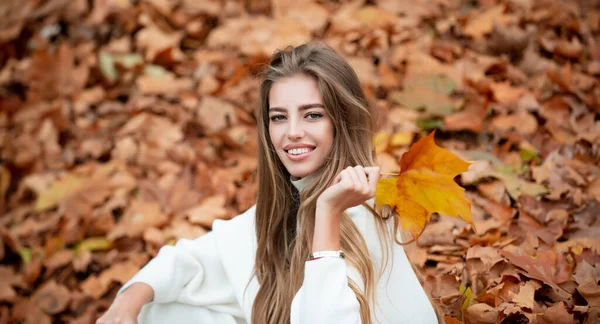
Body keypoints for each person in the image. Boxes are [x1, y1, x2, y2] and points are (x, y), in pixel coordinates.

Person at [96, 42, 440, 324]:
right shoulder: (280, 211)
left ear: (342, 121)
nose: (292, 132)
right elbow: (191, 261)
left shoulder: (368, 212)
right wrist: (128, 301)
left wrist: (328, 213)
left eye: (313, 115)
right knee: (162, 310)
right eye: (279, 117)